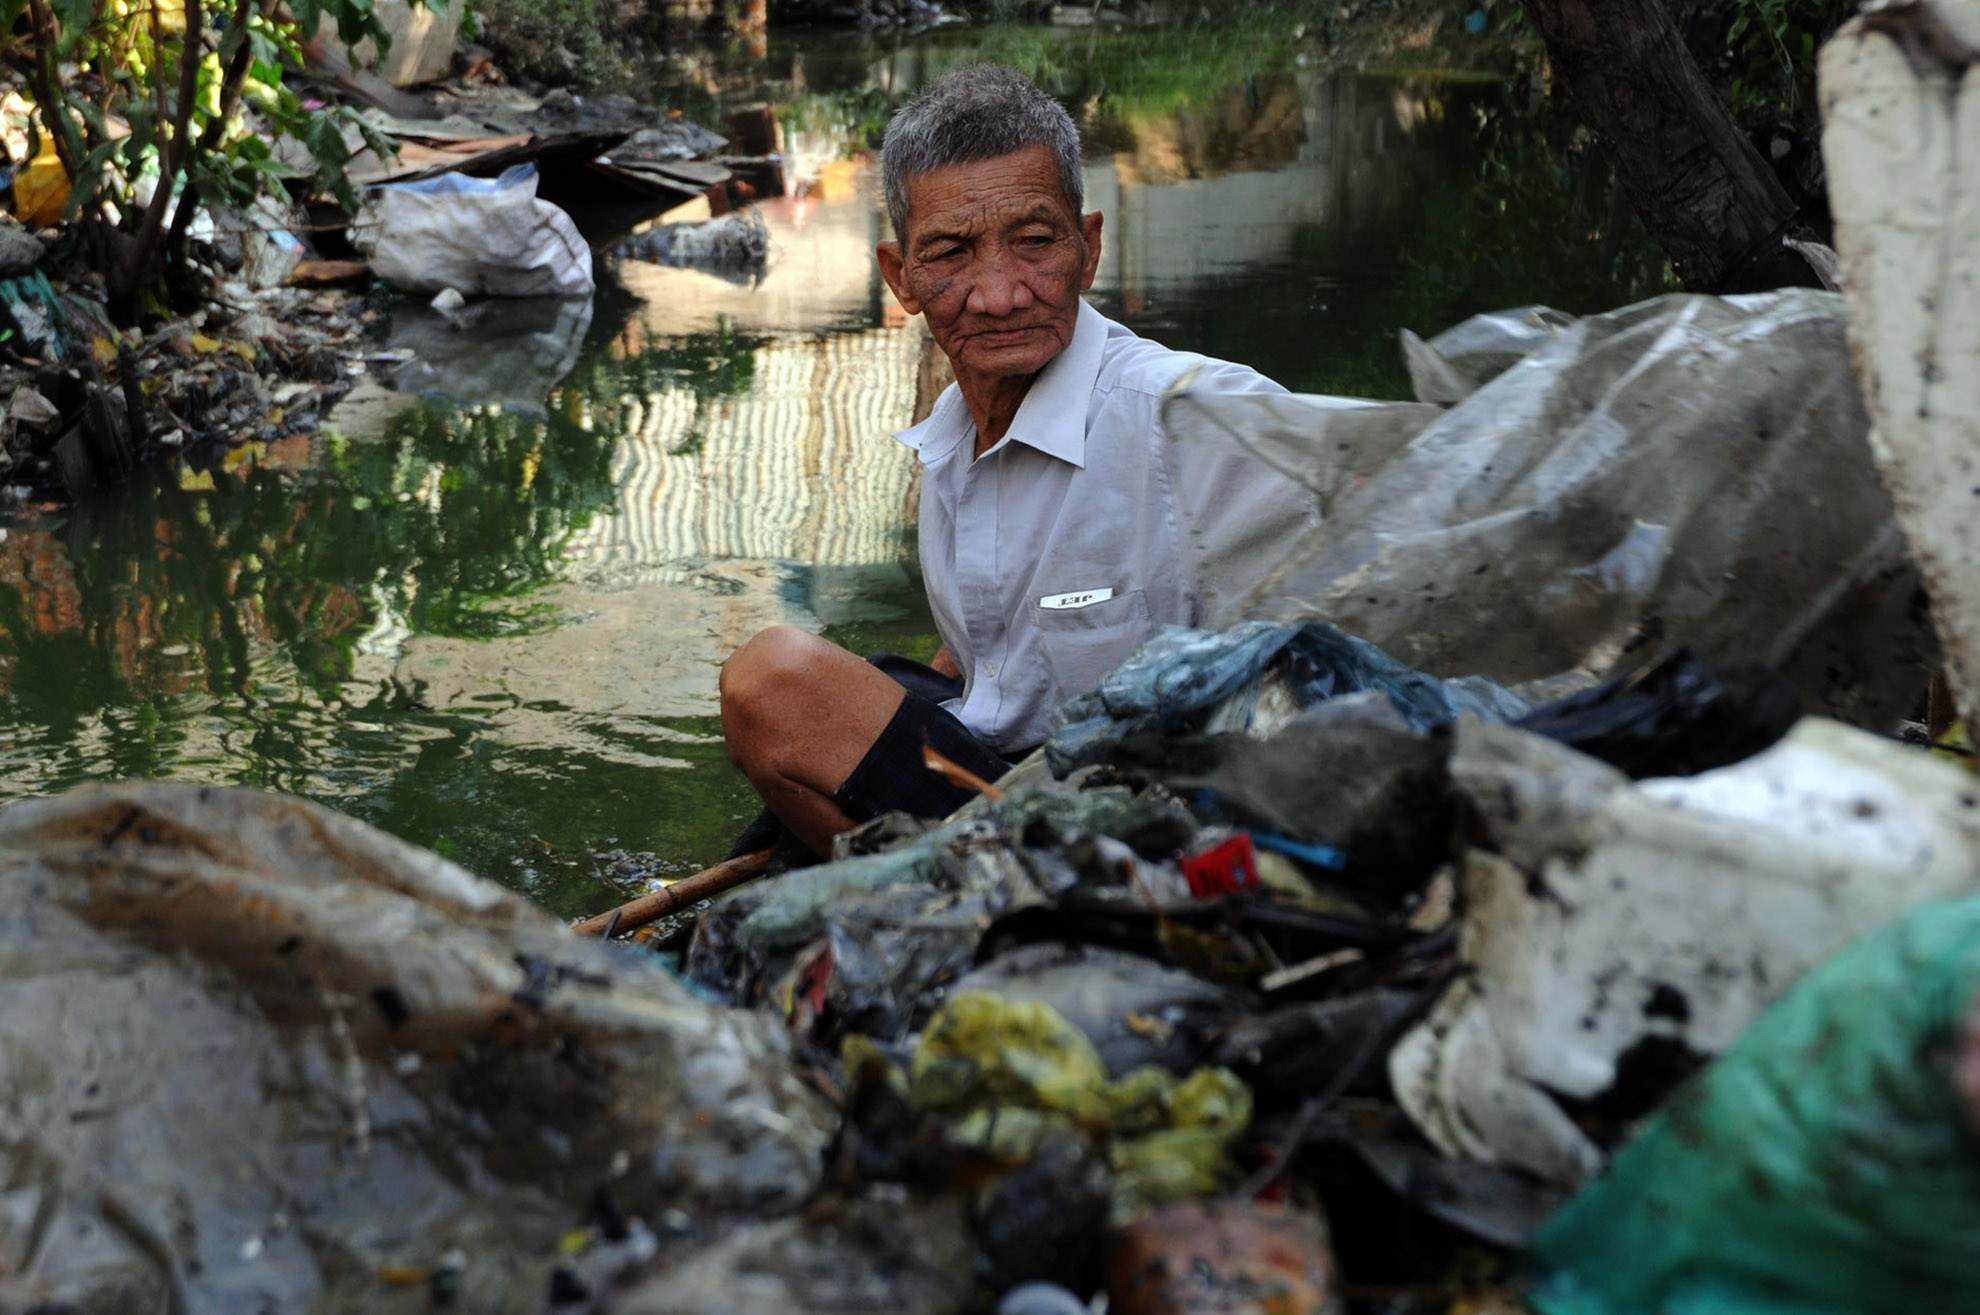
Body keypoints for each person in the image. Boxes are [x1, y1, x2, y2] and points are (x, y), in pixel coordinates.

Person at [719, 64, 1315, 860]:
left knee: (772, 676)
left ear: (1088, 247)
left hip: (1128, 823)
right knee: (828, 688)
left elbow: (1378, 578)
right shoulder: (950, 428)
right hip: (1005, 785)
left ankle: (931, 894)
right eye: (952, 253)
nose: (999, 294)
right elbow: (988, 656)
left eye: (1035, 242)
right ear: (901, 278)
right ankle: (925, 885)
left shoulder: (1192, 415)